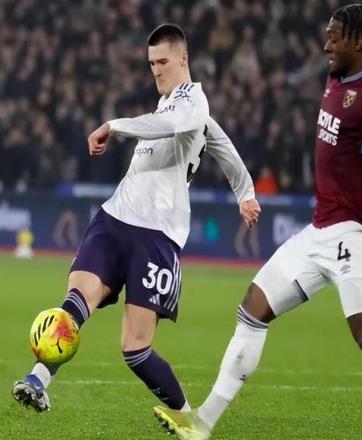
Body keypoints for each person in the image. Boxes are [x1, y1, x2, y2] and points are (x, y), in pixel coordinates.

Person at [154, 6, 362, 440]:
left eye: (335, 37)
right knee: (253, 308)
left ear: (359, 41)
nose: (326, 45)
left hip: (355, 230)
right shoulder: (336, 79)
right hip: (319, 229)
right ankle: (202, 423)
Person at [12, 23, 261, 414]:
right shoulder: (171, 104)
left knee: (135, 349)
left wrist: (114, 125)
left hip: (156, 235)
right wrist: (245, 192)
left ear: (184, 59)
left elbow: (176, 127)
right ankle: (38, 379)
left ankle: (189, 420)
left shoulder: (192, 102)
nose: (156, 70)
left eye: (163, 62)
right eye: (151, 63)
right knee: (77, 298)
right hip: (116, 216)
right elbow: (222, 145)